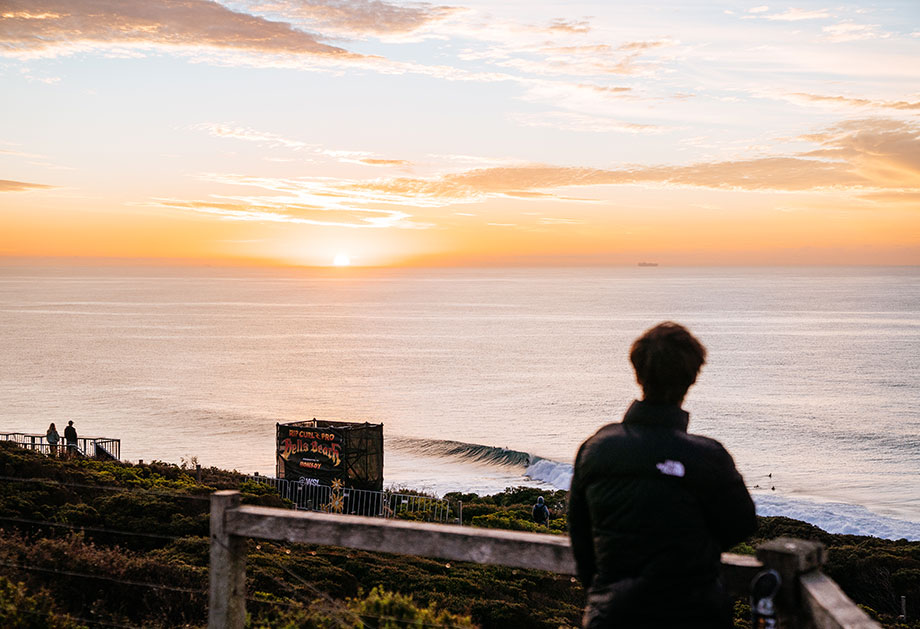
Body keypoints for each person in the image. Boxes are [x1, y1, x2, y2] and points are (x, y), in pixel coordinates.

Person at [568, 322, 756, 629]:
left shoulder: (596, 448)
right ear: (692, 378)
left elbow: (581, 536)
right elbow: (741, 525)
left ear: (638, 372)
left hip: (612, 617)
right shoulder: (709, 457)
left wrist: (603, 594)